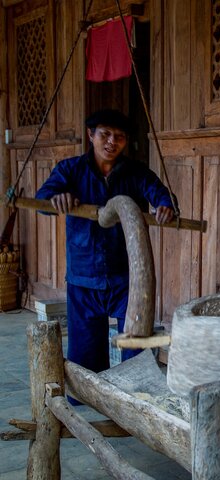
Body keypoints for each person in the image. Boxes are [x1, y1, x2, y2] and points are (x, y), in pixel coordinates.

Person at [36, 109, 175, 381]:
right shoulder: (70, 169)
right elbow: (43, 200)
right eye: (105, 134)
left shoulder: (135, 172)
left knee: (136, 352)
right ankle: (87, 410)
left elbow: (161, 194)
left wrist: (166, 205)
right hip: (83, 276)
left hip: (127, 278)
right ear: (91, 135)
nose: (112, 141)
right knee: (85, 359)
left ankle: (134, 404)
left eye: (120, 137)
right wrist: (58, 199)